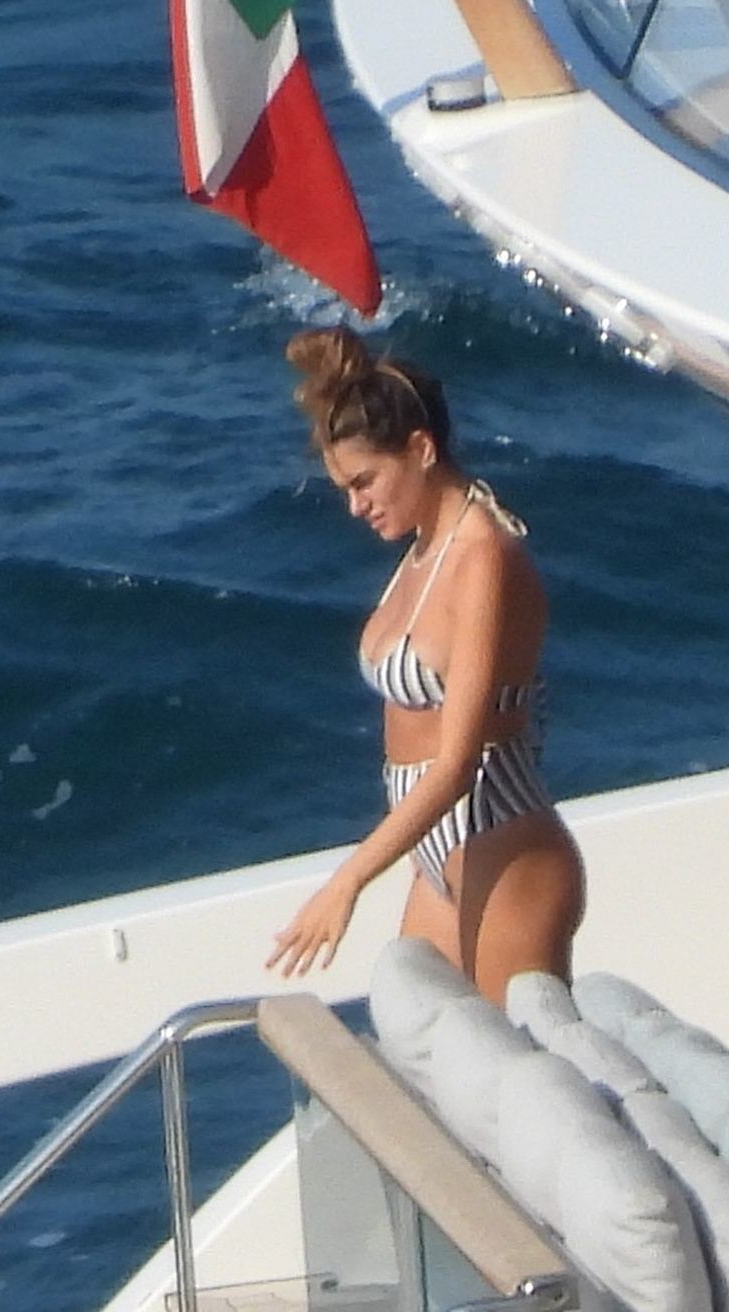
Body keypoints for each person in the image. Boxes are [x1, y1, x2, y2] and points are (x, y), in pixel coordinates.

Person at [267, 325, 584, 1003]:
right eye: (344, 488)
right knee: (423, 1043)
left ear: (420, 448)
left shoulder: (482, 558)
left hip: (502, 848)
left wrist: (347, 882)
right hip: (440, 856)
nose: (356, 506)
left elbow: (458, 763)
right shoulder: (426, 549)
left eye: (365, 482)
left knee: (510, 1062)